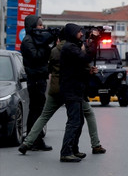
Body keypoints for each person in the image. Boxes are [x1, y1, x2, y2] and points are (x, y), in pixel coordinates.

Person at [18, 31, 106, 155]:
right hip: (71, 89)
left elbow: (49, 67)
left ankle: (27, 142)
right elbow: (81, 66)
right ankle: (94, 144)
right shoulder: (74, 49)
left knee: (44, 116)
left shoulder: (54, 51)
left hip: (55, 88)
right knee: (85, 116)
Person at [58, 24, 98, 162]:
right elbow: (85, 58)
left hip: (76, 89)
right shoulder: (70, 47)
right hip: (71, 89)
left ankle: (73, 149)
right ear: (71, 33)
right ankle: (66, 152)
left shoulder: (73, 46)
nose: (81, 34)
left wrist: (88, 72)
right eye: (78, 32)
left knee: (79, 121)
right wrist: (94, 43)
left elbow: (77, 68)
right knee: (74, 122)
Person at [20, 15, 55, 151]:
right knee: (36, 110)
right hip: (34, 80)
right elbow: (36, 57)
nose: (42, 28)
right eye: (39, 25)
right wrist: (46, 46)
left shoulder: (34, 40)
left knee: (38, 110)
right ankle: (34, 140)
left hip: (39, 78)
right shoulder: (28, 41)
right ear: (32, 26)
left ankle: (36, 139)